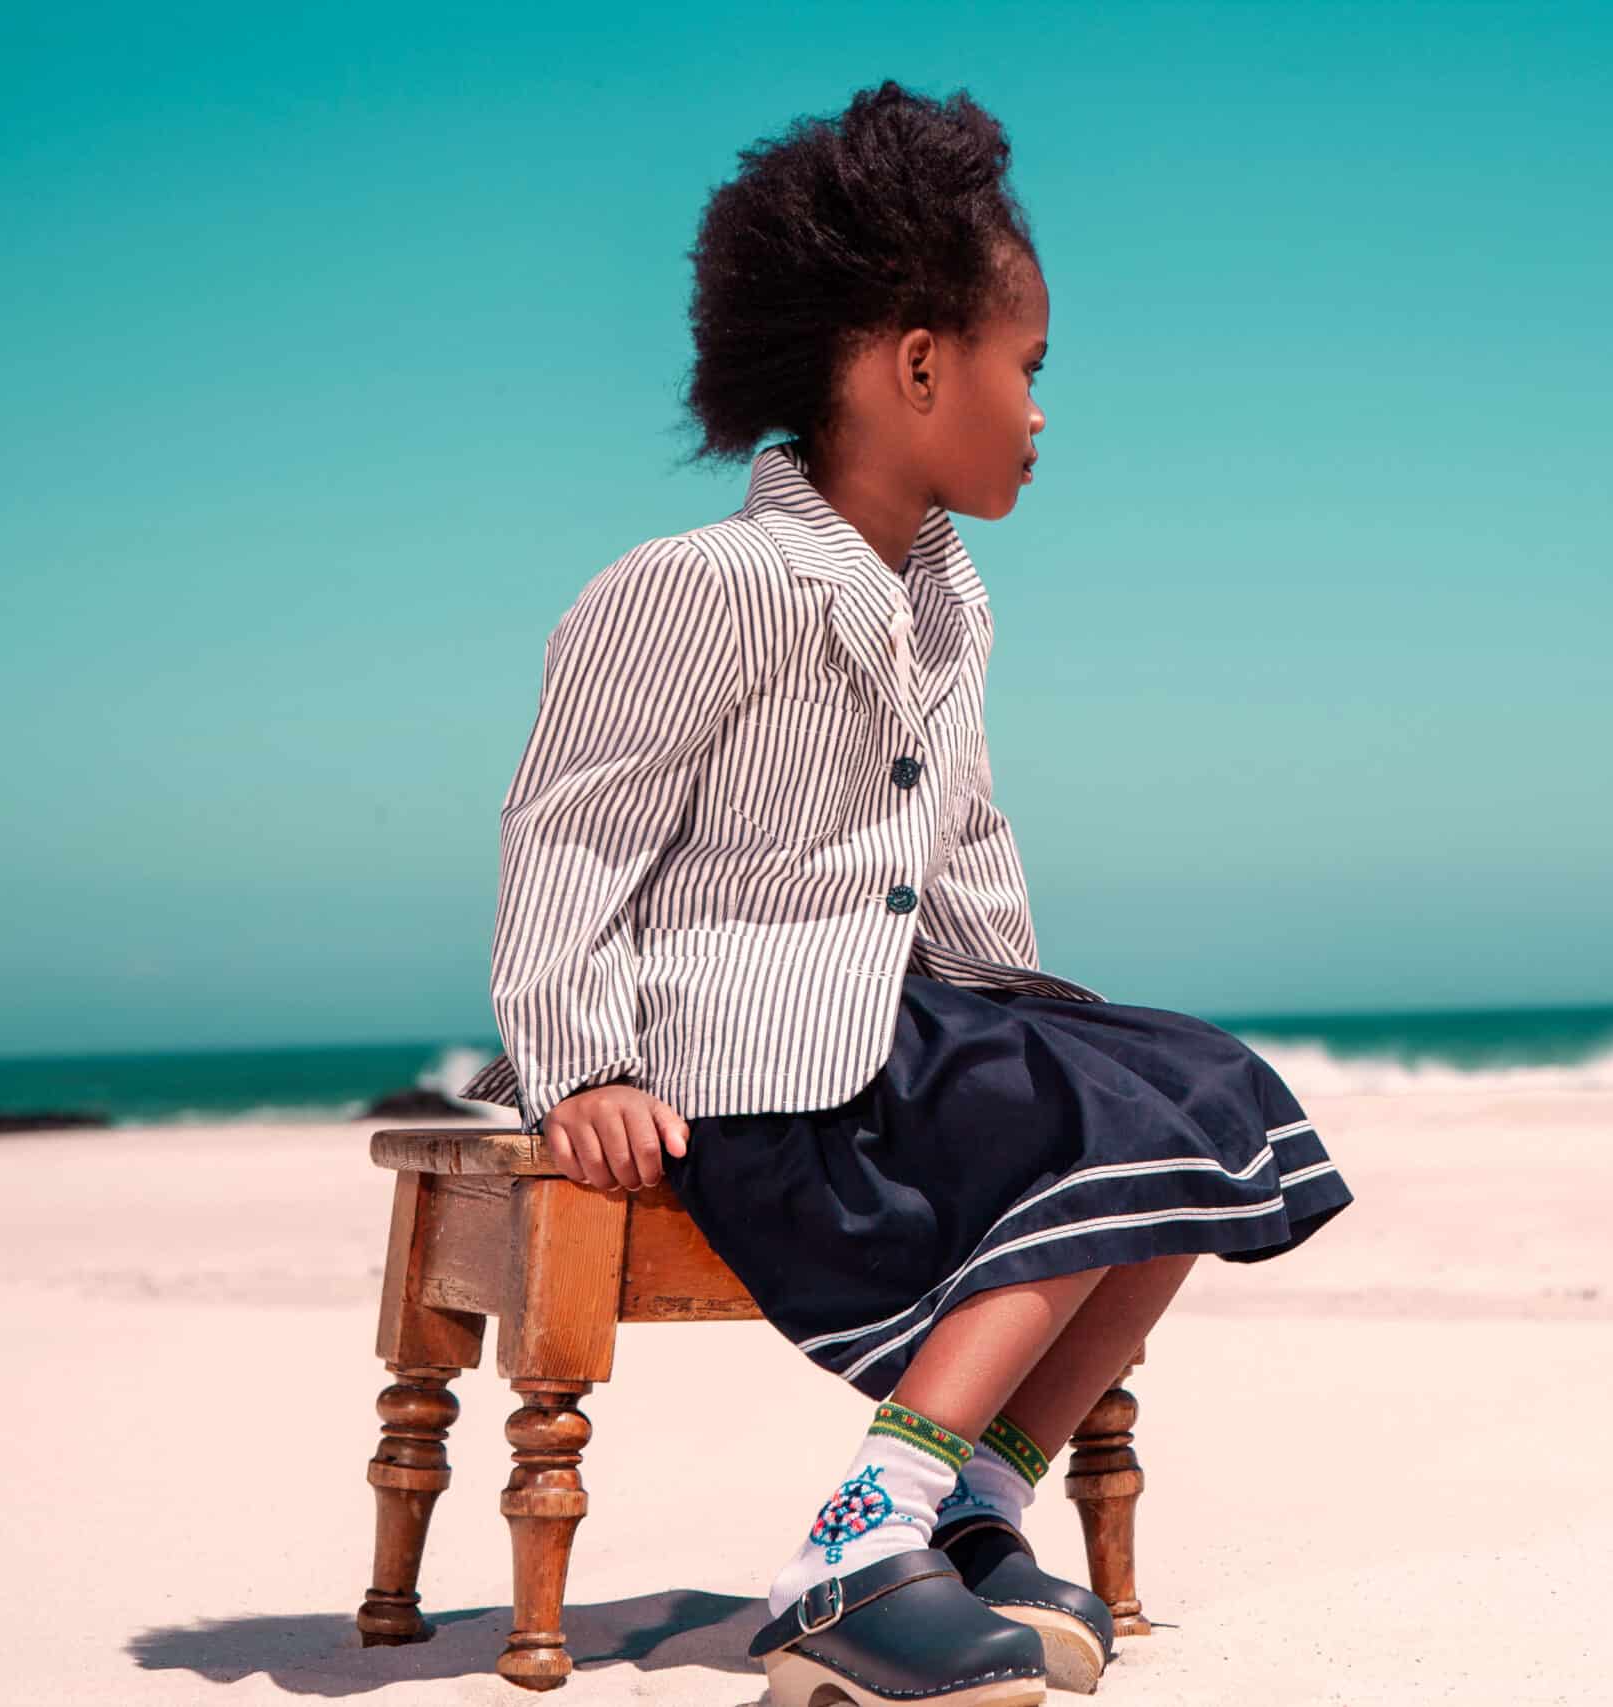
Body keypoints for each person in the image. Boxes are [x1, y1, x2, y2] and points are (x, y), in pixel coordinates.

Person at [455, 79, 1353, 1707]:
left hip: (904, 1027)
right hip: (749, 1068)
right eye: (1031, 368)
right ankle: (854, 1551)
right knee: (1107, 1117)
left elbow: (968, 840)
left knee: (1199, 1093)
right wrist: (580, 1060)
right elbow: (568, 834)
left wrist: (1040, 1024)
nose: (1042, 411)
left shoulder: (948, 593)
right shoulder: (696, 588)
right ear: (919, 362)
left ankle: (972, 1507)